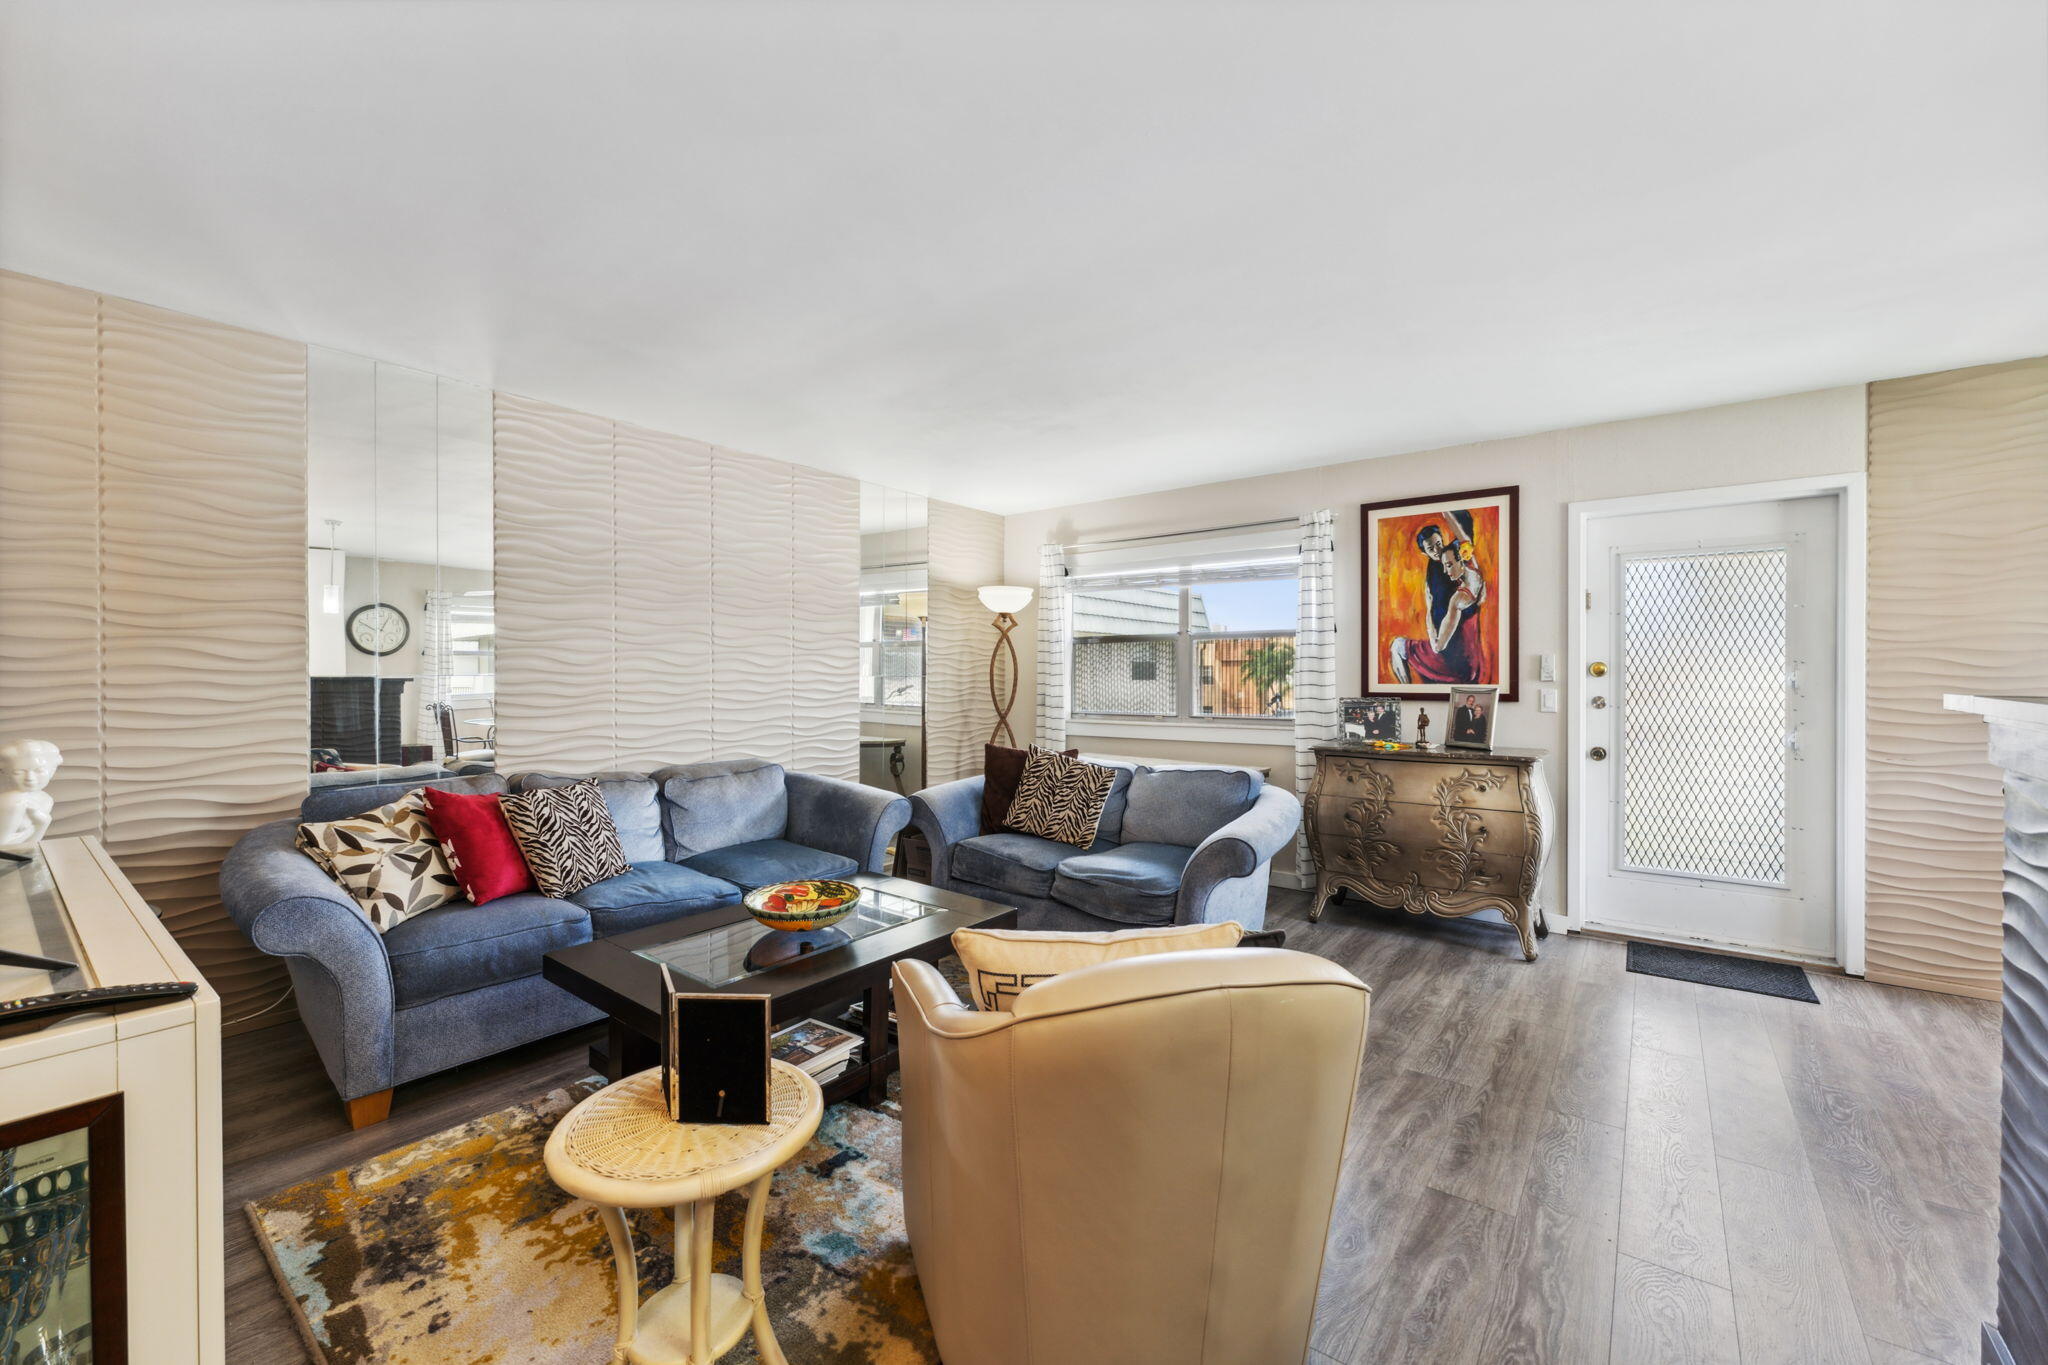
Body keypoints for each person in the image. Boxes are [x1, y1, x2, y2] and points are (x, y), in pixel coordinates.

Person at [1389, 508, 1488, 685]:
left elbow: (1463, 537)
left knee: (1397, 646)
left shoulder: (1457, 564)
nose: (1437, 550)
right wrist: (1432, 635)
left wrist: (1446, 511)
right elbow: (1429, 606)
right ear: (1424, 552)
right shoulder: (1449, 569)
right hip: (1449, 647)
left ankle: (1407, 691)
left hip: (1455, 656)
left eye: (1438, 544)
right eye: (1431, 548)